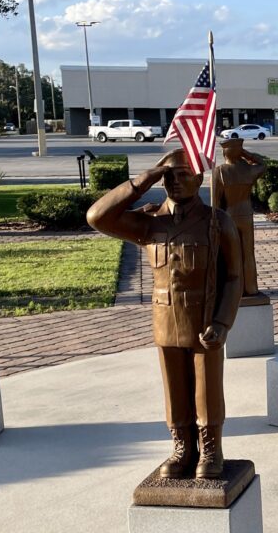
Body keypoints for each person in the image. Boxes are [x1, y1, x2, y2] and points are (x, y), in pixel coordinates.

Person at [87, 149, 243, 479]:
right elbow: (97, 217)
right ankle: (182, 447)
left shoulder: (217, 222)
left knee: (207, 389)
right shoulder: (149, 223)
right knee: (174, 390)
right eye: (168, 176)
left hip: (203, 320)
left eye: (183, 174)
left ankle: (210, 448)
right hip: (165, 321)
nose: (174, 181)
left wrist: (222, 322)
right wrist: (143, 181)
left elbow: (234, 277)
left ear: (199, 178)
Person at [212, 139, 267, 299]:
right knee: (248, 254)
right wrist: (246, 154)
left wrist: (215, 223)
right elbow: (263, 164)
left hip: (229, 216)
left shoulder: (219, 172)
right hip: (246, 215)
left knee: (231, 255)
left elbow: (215, 203)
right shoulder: (249, 170)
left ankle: (234, 289)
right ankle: (251, 287)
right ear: (239, 152)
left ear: (224, 153)